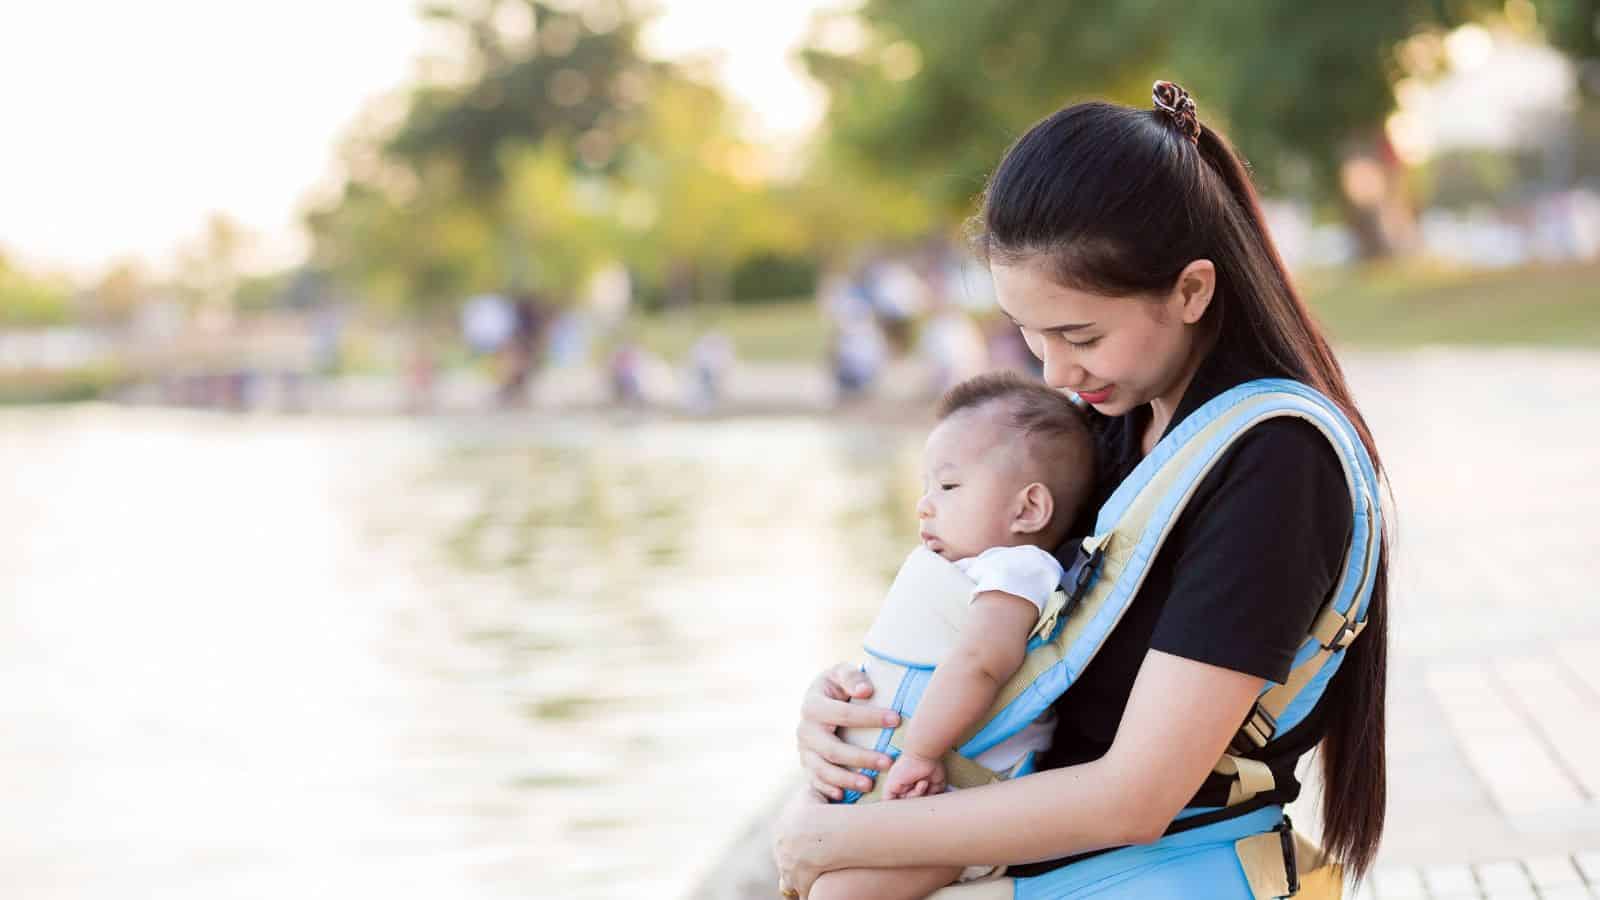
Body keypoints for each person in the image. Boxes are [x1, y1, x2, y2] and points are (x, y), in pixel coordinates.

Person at [774, 82, 1389, 898]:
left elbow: (1136, 796)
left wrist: (834, 835)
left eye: (1080, 336)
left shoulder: (1277, 461)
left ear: (1192, 291)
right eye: (1028, 334)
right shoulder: (1100, 428)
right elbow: (977, 604)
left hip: (1157, 868)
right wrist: (841, 711)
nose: (1054, 373)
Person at [814, 373, 1094, 900]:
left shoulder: (1019, 570)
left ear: (1027, 510)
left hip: (963, 805)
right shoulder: (968, 573)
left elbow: (981, 662)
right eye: (925, 488)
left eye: (947, 486)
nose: (924, 504)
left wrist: (920, 753)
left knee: (839, 894)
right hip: (910, 795)